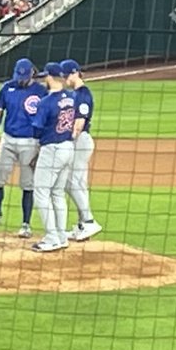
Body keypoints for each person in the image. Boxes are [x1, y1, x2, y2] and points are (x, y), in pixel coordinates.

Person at [0, 58, 45, 238]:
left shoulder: (41, 91)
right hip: (8, 140)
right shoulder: (7, 87)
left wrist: (41, 142)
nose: (20, 79)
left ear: (32, 73)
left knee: (27, 184)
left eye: (23, 76)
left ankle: (26, 223)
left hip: (30, 142)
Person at [29, 63, 76, 253]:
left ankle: (51, 237)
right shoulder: (71, 97)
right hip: (68, 147)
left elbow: (37, 130)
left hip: (52, 149)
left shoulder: (45, 102)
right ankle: (61, 236)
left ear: (50, 77)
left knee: (41, 192)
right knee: (57, 193)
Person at [61, 59, 101, 241]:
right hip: (79, 141)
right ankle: (82, 225)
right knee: (79, 184)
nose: (64, 79)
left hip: (80, 141)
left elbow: (79, 123)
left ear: (74, 73)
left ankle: (89, 221)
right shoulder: (75, 93)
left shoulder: (83, 95)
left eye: (66, 75)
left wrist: (68, 142)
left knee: (71, 182)